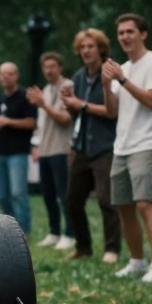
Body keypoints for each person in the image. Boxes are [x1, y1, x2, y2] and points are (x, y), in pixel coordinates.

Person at [103, 14, 152, 282]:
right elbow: (111, 111)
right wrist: (106, 85)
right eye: (120, 33)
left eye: (130, 31)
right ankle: (137, 261)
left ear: (143, 34)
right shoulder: (124, 68)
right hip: (122, 146)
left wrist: (120, 80)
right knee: (123, 206)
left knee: (145, 203)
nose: (124, 37)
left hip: (148, 143)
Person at [60, 29, 121, 263]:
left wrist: (80, 104)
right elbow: (78, 114)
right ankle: (83, 247)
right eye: (82, 47)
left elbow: (111, 112)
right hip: (81, 146)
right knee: (73, 199)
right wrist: (68, 103)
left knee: (107, 200)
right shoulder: (78, 76)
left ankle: (112, 250)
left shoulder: (109, 72)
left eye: (90, 46)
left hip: (105, 145)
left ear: (101, 49)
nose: (85, 50)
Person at [27, 52, 76, 251]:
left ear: (60, 67)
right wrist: (36, 145)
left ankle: (70, 234)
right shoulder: (46, 89)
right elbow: (41, 123)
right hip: (45, 149)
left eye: (52, 66)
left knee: (64, 194)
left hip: (62, 148)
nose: (48, 70)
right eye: (45, 67)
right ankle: (54, 232)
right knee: (48, 194)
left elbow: (65, 118)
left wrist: (43, 104)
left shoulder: (68, 87)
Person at [0, 62, 37, 233]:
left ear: (16, 75)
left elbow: (32, 122)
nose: (5, 77)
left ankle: (23, 232)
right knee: (3, 195)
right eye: (2, 74)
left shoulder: (24, 96)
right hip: (0, 153)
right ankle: (8, 232)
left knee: (18, 193)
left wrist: (8, 121)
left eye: (9, 73)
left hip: (18, 152)